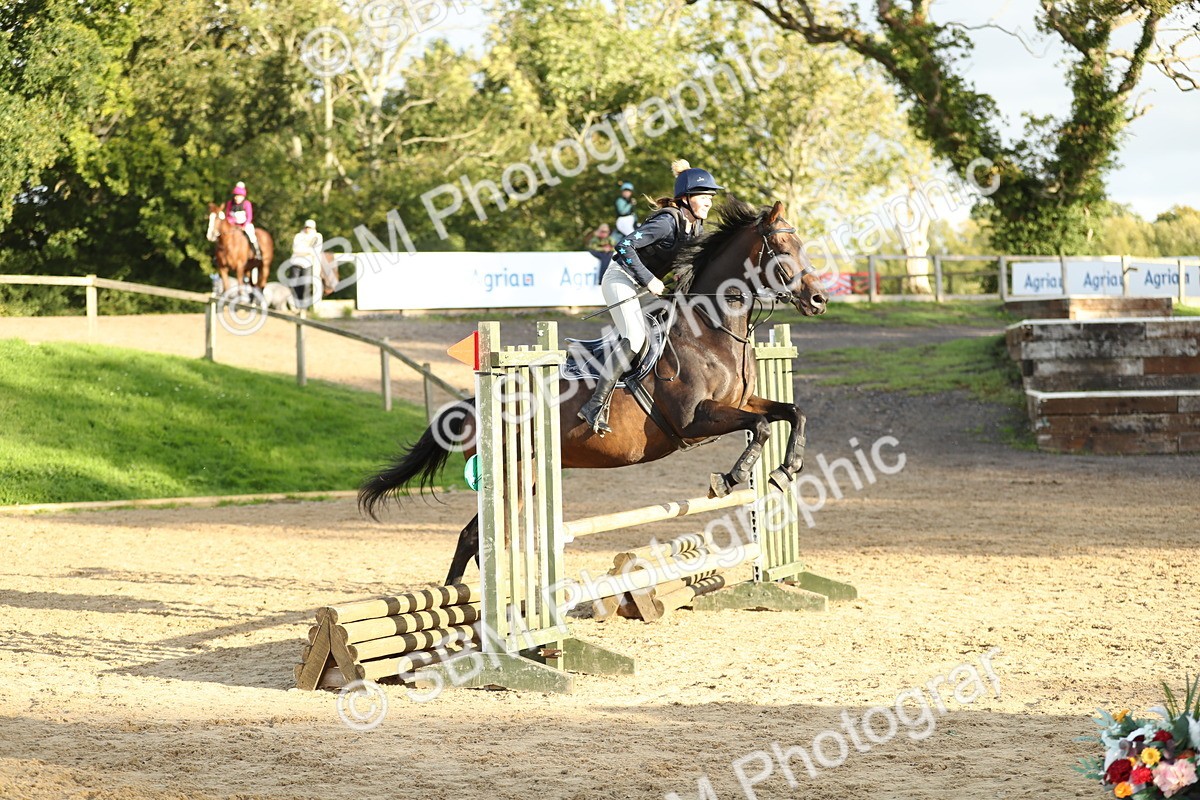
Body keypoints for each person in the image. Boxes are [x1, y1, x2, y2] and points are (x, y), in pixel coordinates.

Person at [578, 159, 723, 435]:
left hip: (644, 287)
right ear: (687, 198)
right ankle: (594, 405)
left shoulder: (696, 227)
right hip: (621, 279)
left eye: (710, 198)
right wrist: (650, 279)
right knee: (634, 336)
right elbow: (622, 248)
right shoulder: (667, 221)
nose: (709, 203)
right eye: (704, 197)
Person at [289, 219, 324, 308]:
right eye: (306, 227)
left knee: (305, 285)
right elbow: (296, 249)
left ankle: (303, 307)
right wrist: (308, 250)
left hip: (308, 264)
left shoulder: (317, 236)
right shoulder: (299, 236)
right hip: (296, 263)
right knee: (294, 283)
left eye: (310, 228)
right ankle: (295, 304)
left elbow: (316, 251)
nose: (307, 229)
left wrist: (303, 249)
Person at [223, 181, 262, 260]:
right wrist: (232, 222)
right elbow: (228, 215)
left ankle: (256, 252)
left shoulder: (247, 204)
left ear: (243, 197)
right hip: (233, 225)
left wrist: (244, 225)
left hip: (244, 225)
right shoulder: (230, 203)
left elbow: (249, 216)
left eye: (239, 196)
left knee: (251, 235)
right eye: (236, 196)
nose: (237, 198)